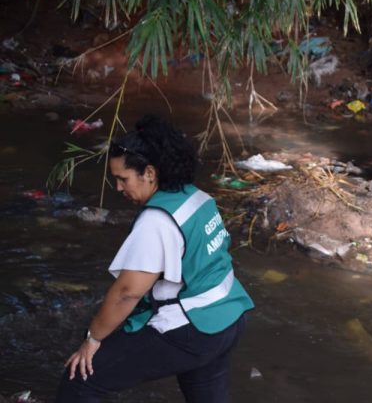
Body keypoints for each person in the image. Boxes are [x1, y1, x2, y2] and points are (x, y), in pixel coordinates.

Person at [56, 115, 254, 402]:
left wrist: (93, 340)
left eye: (123, 179)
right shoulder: (197, 197)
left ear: (149, 173)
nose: (119, 188)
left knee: (81, 379)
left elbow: (127, 293)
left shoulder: (156, 221)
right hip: (229, 319)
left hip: (194, 329)